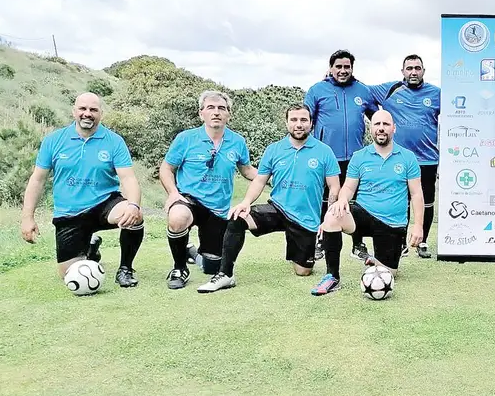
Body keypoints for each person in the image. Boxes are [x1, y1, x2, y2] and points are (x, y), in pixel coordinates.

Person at [197, 104, 341, 293]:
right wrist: (245, 202)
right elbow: (259, 181)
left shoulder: (324, 151)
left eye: (303, 120)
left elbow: (334, 186)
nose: (299, 124)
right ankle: (226, 274)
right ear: (287, 122)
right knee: (237, 218)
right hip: (277, 209)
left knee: (303, 271)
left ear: (311, 123)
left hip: (305, 218)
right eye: (294, 120)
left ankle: (300, 248)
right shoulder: (274, 149)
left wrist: (329, 216)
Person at [20, 92, 143, 287]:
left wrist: (134, 205)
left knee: (134, 217)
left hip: (104, 203)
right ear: (74, 111)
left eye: (93, 110)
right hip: (69, 213)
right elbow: (37, 180)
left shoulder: (114, 141)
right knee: (69, 275)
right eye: (83, 109)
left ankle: (125, 269)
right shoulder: (54, 140)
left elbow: (128, 178)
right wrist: (27, 217)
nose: (87, 114)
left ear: (100, 113)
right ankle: (91, 248)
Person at [311, 110, 424, 296]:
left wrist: (418, 226)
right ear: (370, 128)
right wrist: (341, 201)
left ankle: (376, 260)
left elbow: (417, 193)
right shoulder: (359, 156)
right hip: (364, 214)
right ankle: (332, 276)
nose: (381, 128)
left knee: (388, 274)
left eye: (386, 124)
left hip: (392, 224)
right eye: (377, 124)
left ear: (394, 128)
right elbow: (348, 188)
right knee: (332, 215)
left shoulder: (407, 157)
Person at [159, 90, 256, 290]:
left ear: (229, 114)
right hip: (190, 200)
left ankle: (192, 252)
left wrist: (276, 175)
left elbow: (247, 170)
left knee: (212, 268)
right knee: (177, 217)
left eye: (222, 108)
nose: (216, 112)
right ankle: (179, 268)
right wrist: (173, 194)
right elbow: (166, 168)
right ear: (201, 113)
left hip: (219, 209)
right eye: (210, 108)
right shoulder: (185, 138)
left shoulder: (238, 141)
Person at [305, 49, 378, 261]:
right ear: (330, 68)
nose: (343, 70)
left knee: (354, 202)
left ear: (352, 68)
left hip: (355, 159)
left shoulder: (362, 90)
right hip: (326, 158)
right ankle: (321, 241)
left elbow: (376, 117)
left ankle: (358, 244)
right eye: (339, 66)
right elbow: (306, 120)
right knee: (325, 200)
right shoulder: (317, 90)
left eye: (347, 67)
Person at [368, 54, 440, 259]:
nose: (413, 72)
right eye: (409, 68)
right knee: (400, 202)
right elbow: (362, 92)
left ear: (423, 71)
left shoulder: (436, 93)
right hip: (398, 158)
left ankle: (422, 241)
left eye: (417, 68)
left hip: (427, 159)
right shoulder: (390, 89)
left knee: (426, 202)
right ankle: (400, 242)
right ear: (403, 72)